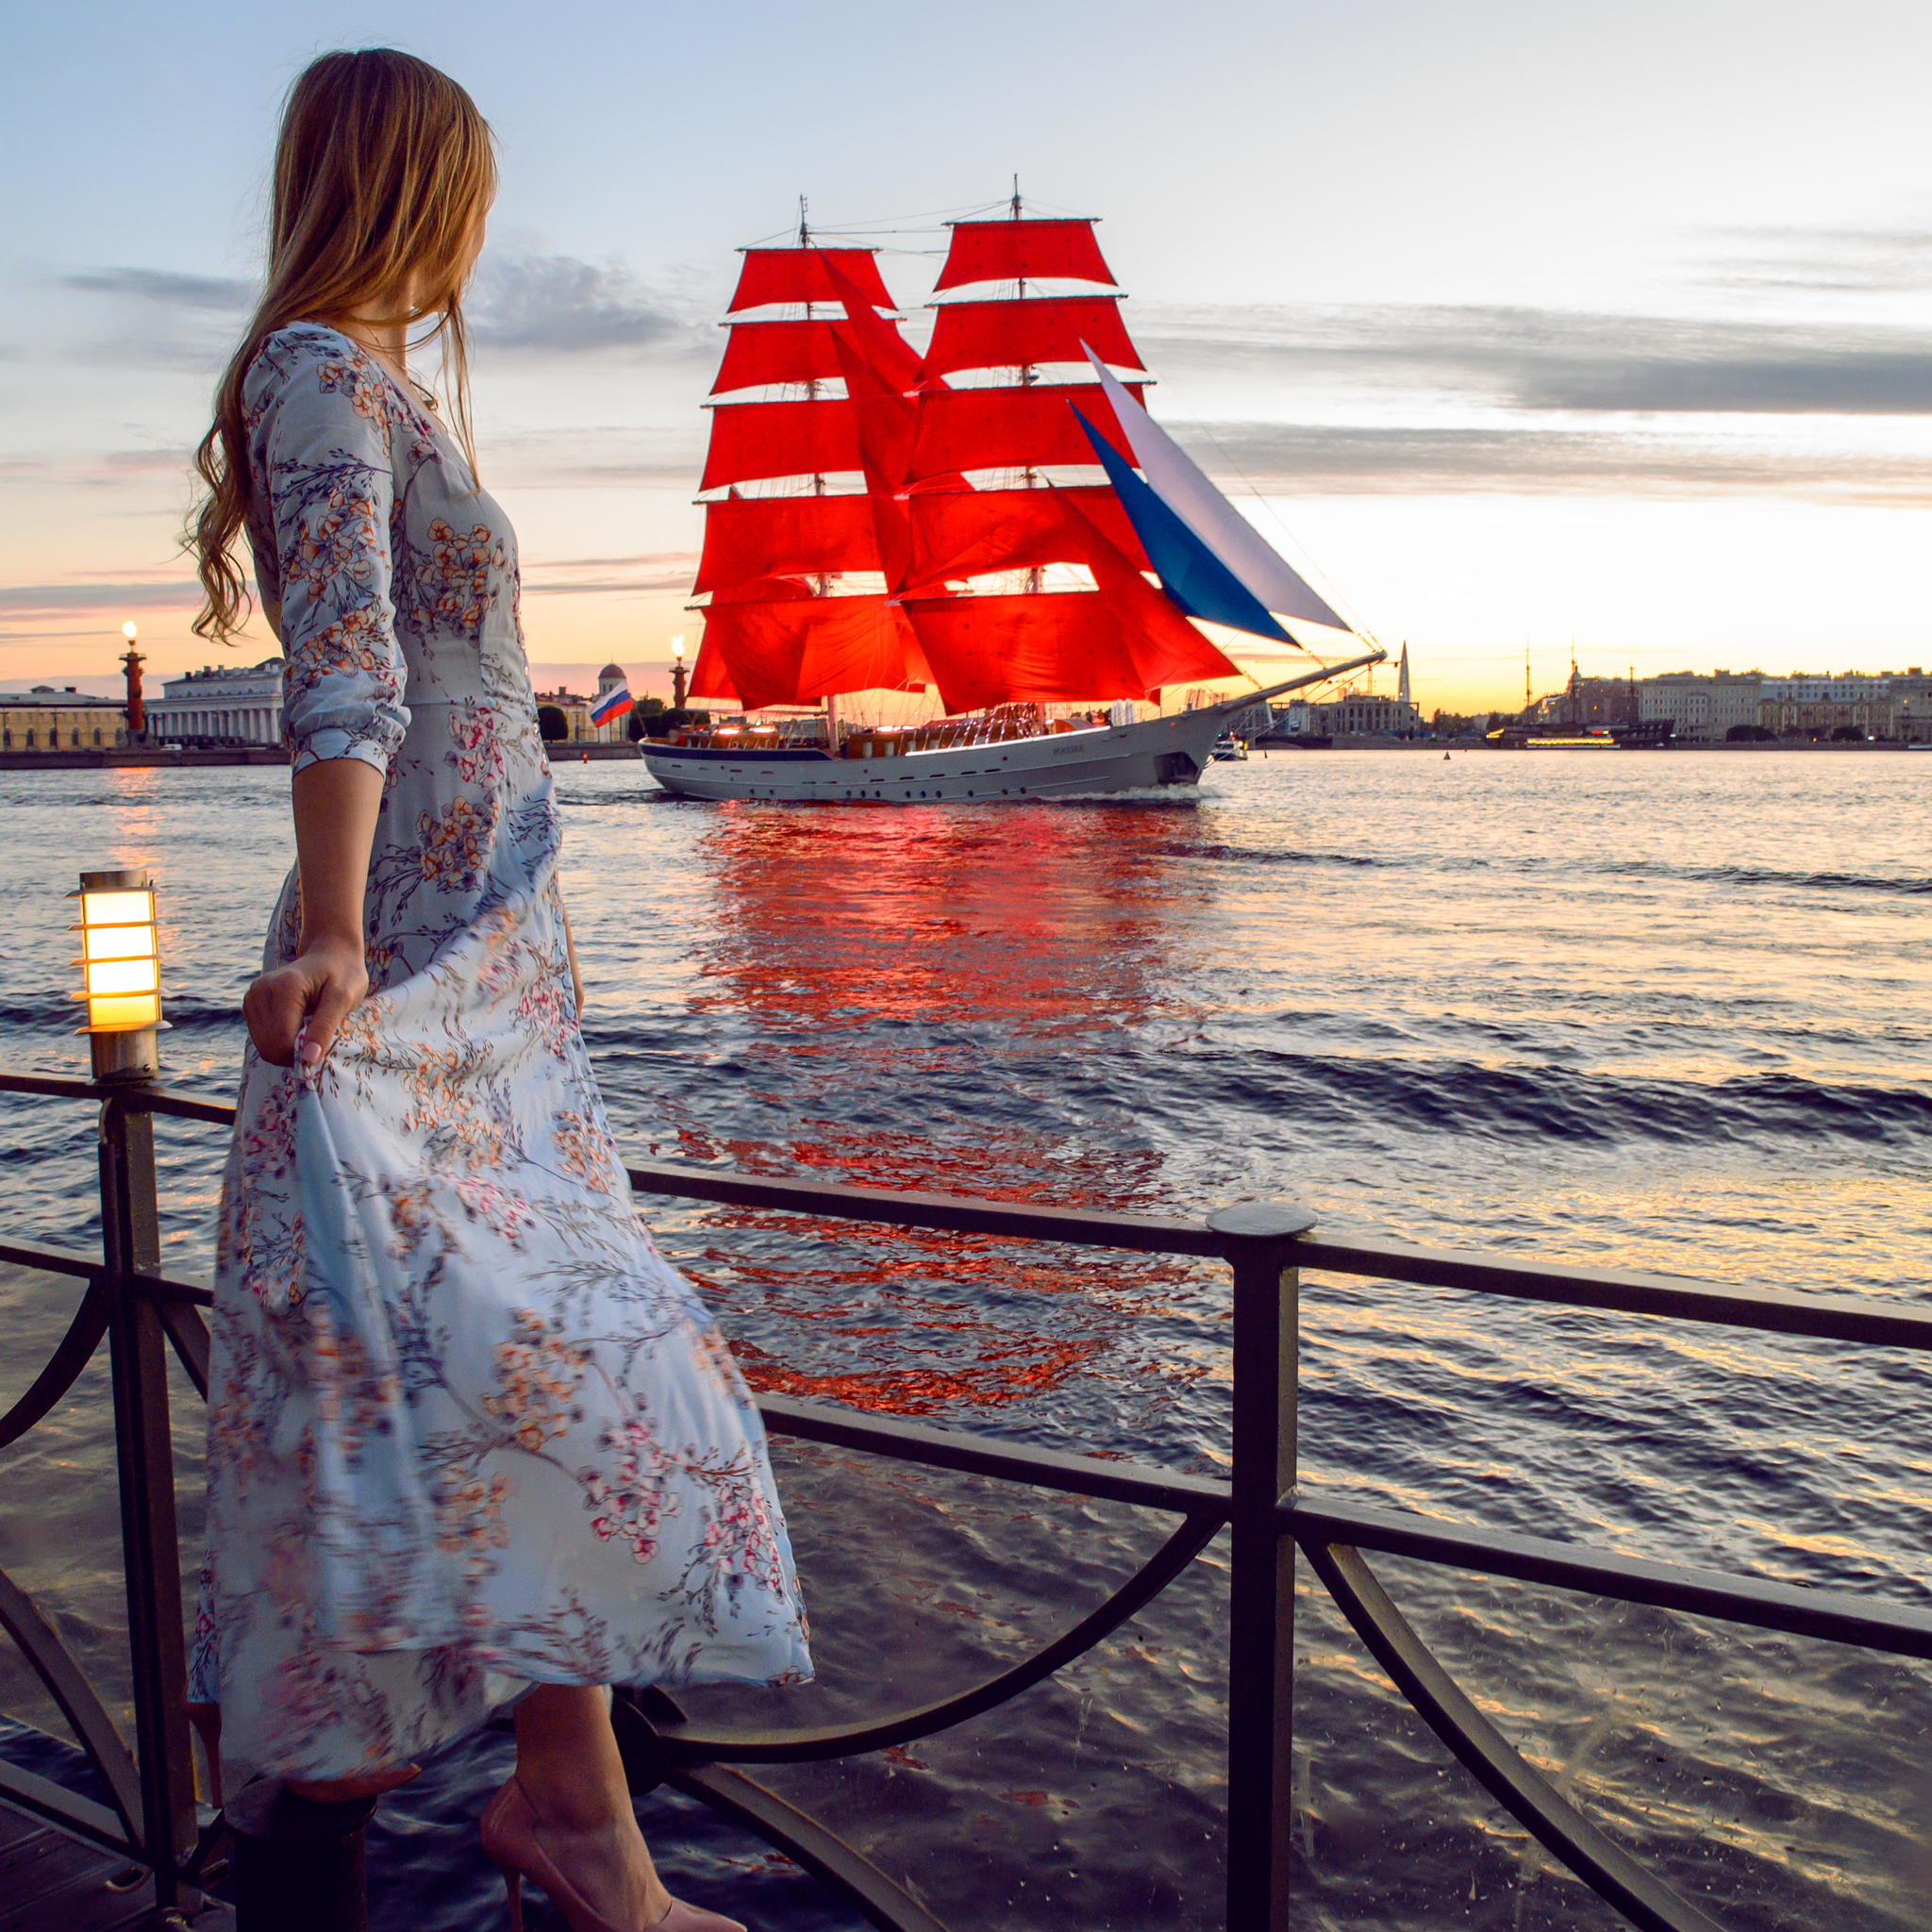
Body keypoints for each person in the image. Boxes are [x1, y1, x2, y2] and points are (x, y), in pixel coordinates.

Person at [186, 49, 810, 1932]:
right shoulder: (317, 372)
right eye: (465, 185)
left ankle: (571, 1807)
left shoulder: (367, 383)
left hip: (499, 973)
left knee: (521, 1358)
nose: (479, 225)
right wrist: (342, 938)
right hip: (423, 972)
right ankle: (515, 1823)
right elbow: (355, 669)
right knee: (536, 1365)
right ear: (405, 185)